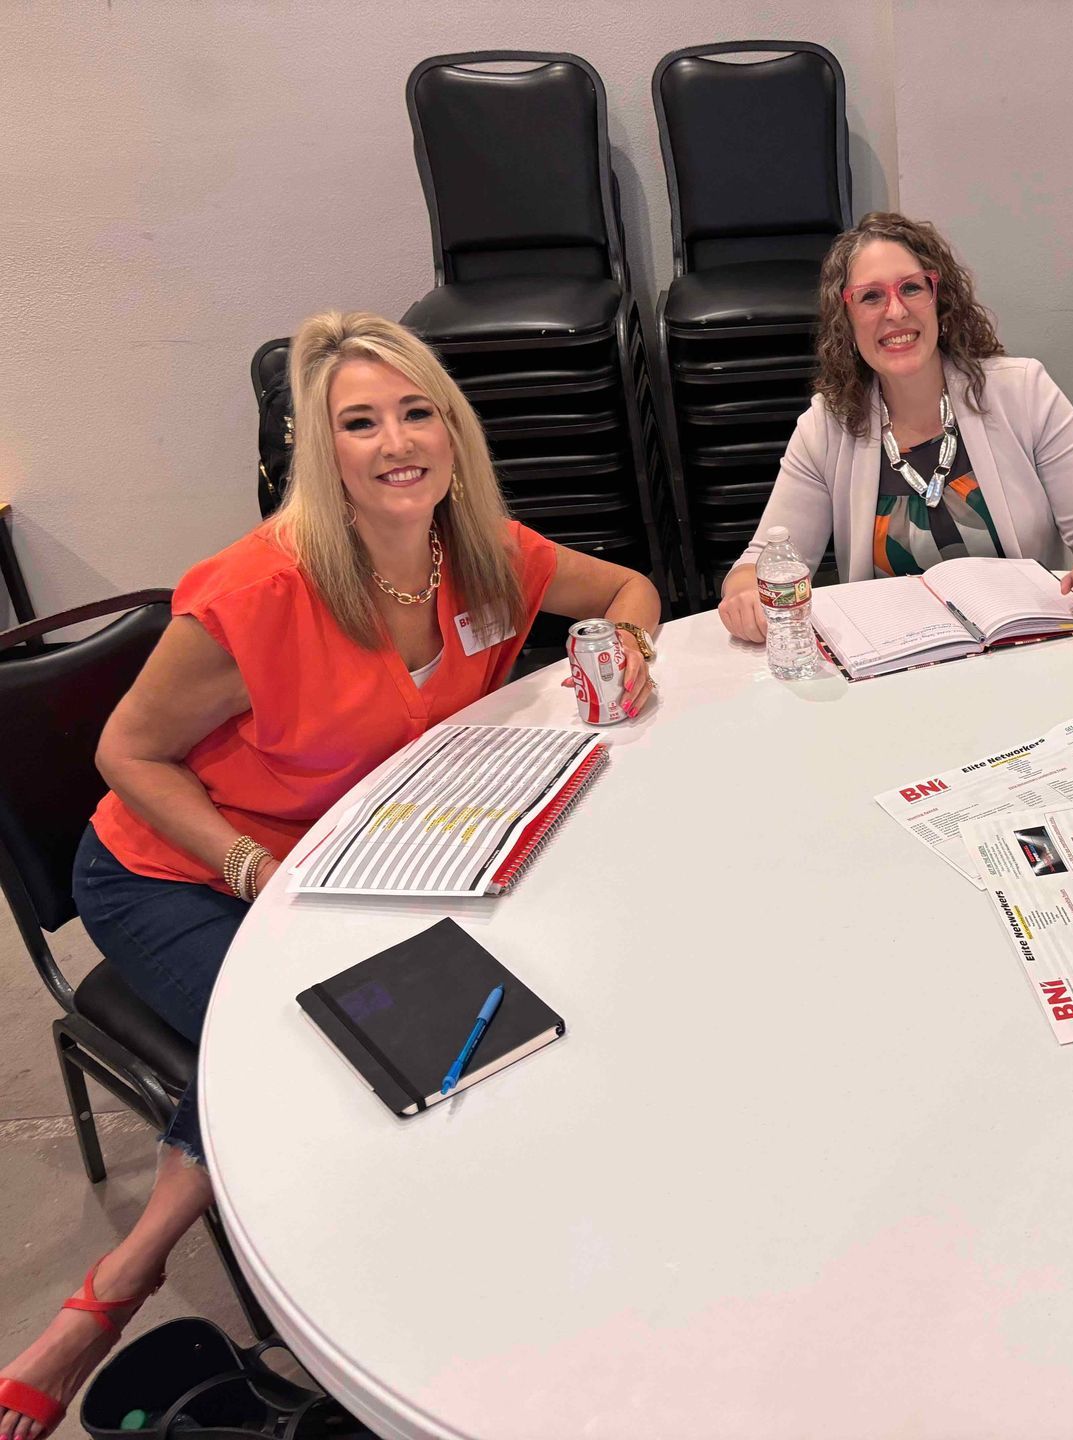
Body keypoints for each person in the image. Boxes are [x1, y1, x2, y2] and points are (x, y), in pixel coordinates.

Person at [0, 311, 661, 1440]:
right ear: (323, 450)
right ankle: (128, 1276)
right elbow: (126, 754)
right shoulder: (260, 591)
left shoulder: (483, 553)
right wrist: (257, 868)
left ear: (453, 435)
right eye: (360, 423)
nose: (396, 442)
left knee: (514, 1006)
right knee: (315, 1056)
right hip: (174, 868)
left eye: (417, 414)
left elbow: (626, 594)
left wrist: (623, 658)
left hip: (370, 863)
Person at [716, 212, 1073, 642]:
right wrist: (745, 593)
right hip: (896, 670)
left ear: (939, 301)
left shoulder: (1023, 391)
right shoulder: (825, 428)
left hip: (1028, 651)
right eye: (870, 297)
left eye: (911, 288)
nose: (896, 311)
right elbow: (762, 561)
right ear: (845, 321)